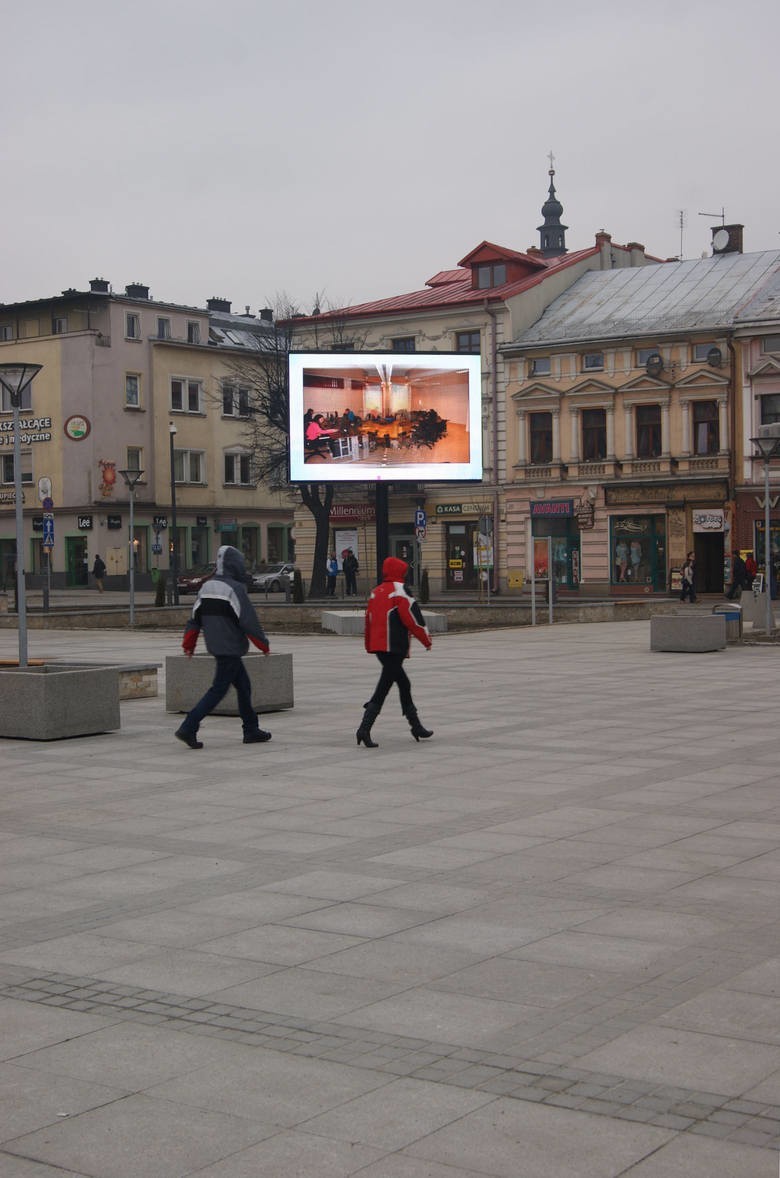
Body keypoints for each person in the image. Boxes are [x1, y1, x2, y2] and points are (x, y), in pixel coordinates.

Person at [174, 545, 272, 750]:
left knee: (244, 686)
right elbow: (248, 620)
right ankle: (188, 726)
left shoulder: (206, 587)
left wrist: (189, 643)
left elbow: (194, 619)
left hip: (216, 645)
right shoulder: (234, 589)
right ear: (234, 565)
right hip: (231, 647)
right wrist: (263, 643)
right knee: (218, 690)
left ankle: (251, 729)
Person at [356, 555, 433, 748]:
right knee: (385, 687)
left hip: (379, 647)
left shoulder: (376, 592)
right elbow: (413, 618)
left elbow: (368, 619)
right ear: (400, 571)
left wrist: (369, 645)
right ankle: (364, 728)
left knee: (403, 683)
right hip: (394, 646)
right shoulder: (401, 591)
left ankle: (416, 726)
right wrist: (426, 640)